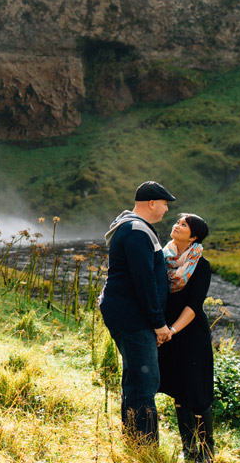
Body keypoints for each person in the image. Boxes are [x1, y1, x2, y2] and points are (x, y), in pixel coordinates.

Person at [99, 181, 175, 445]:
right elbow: (144, 282)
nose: (166, 210)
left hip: (128, 315)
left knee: (136, 376)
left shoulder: (133, 228)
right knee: (145, 380)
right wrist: (159, 323)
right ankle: (144, 446)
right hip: (133, 318)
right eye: (165, 204)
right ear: (152, 203)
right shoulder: (136, 232)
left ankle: (133, 439)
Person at [158, 213, 214, 462]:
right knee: (178, 390)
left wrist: (173, 330)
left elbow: (194, 306)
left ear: (194, 236)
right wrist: (161, 328)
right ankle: (188, 448)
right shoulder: (161, 259)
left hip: (190, 334)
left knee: (197, 392)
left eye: (184, 225)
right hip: (166, 333)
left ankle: (207, 452)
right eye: (177, 222)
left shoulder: (201, 265)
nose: (177, 225)